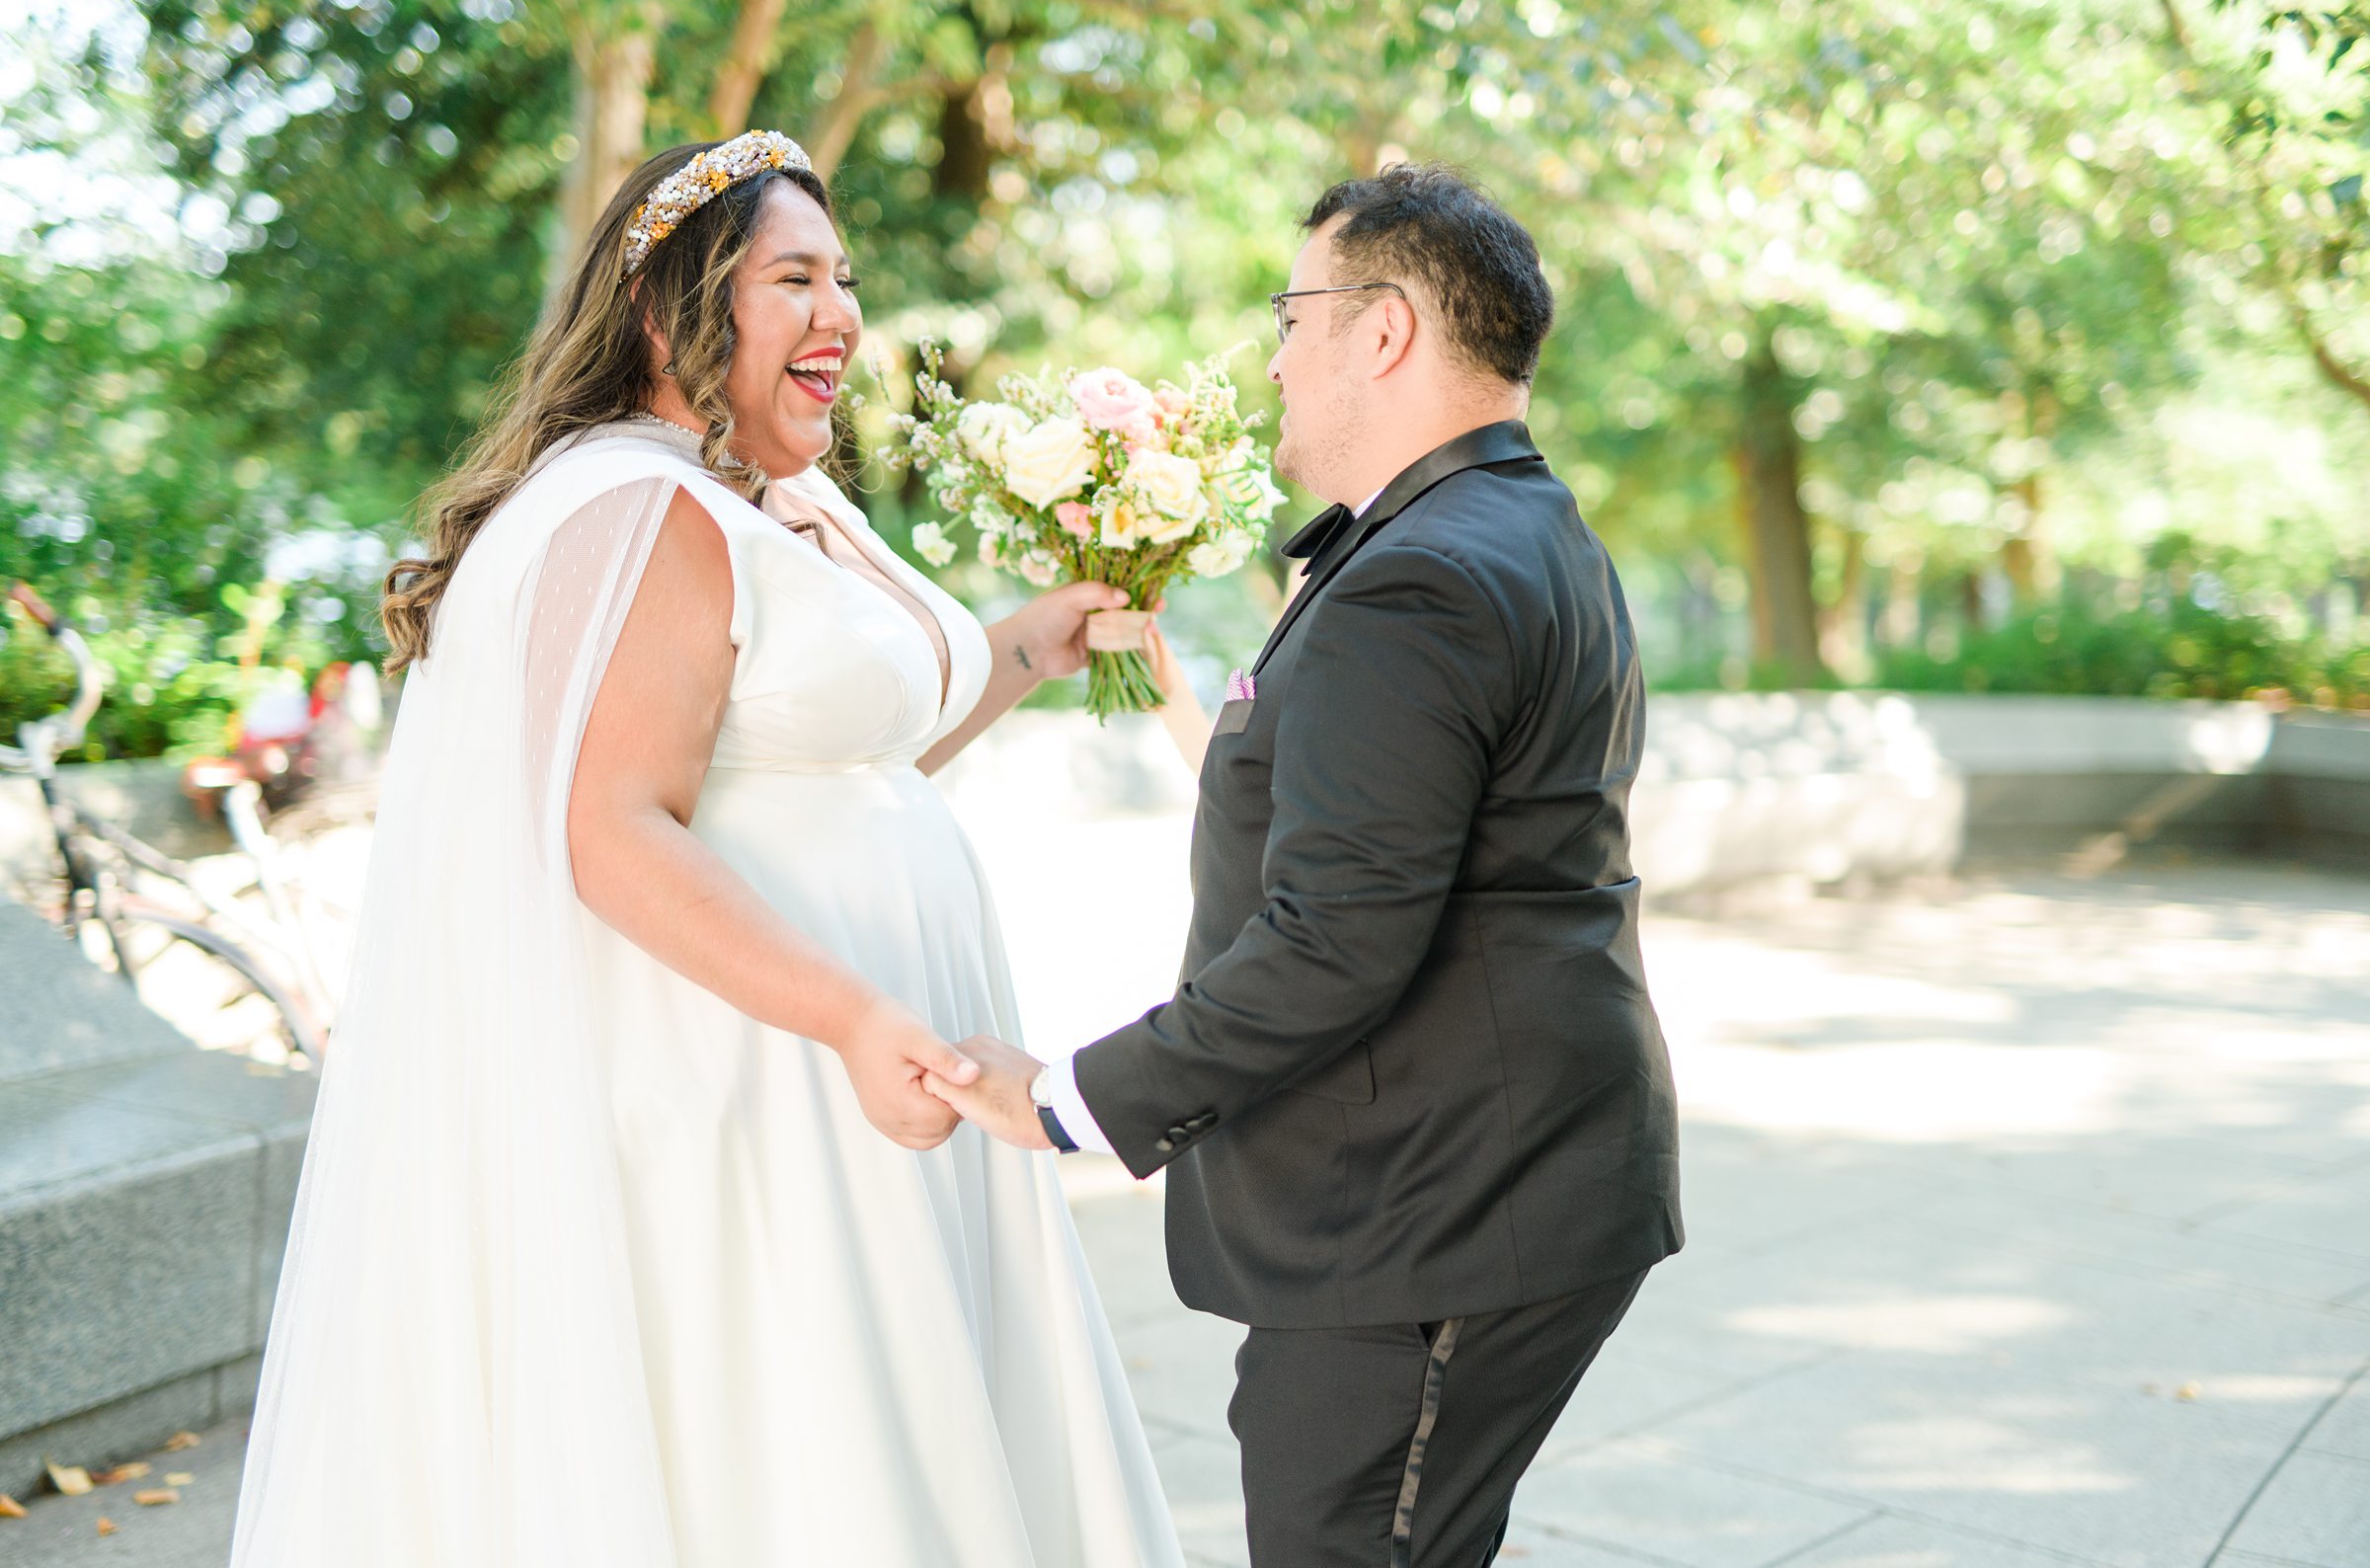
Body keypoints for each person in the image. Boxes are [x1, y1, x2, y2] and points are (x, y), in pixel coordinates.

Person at [229, 131, 1182, 1568]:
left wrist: (1028, 649)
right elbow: (607, 828)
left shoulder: (762, 496)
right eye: (793, 276)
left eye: (844, 278)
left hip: (853, 1079)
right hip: (766, 1091)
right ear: (675, 309)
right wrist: (859, 1017)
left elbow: (839, 759)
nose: (842, 313)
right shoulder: (639, 505)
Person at [930, 164, 1684, 1568]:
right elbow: (1372, 814)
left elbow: (1336, 934)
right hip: (1496, 1172)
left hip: (1446, 1205)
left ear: (1385, 330)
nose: (1273, 359)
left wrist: (1065, 1098)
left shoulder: (1421, 575)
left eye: (1294, 313)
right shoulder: (1515, 528)